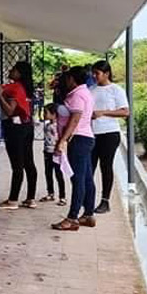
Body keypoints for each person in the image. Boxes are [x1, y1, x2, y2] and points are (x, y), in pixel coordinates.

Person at [51, 66, 97, 231]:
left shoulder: (77, 95)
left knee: (77, 179)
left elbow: (75, 119)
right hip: (85, 137)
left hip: (78, 139)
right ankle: (88, 214)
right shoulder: (85, 93)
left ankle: (72, 218)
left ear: (73, 79)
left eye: (68, 78)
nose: (66, 80)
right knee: (86, 178)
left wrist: (63, 140)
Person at [0, 61, 37, 210]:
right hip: (27, 126)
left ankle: (13, 200)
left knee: (17, 164)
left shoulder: (14, 88)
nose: (10, 70)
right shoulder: (27, 88)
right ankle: (31, 198)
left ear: (19, 73)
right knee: (29, 162)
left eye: (13, 69)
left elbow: (9, 111)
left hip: (15, 128)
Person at [90, 60, 129, 214]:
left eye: (97, 73)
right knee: (89, 167)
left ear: (106, 73)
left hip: (109, 133)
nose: (94, 76)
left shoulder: (116, 90)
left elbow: (125, 112)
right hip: (92, 133)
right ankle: (87, 198)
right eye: (93, 73)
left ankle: (105, 201)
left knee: (105, 167)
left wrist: (103, 112)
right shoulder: (91, 89)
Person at [39, 103, 66, 206]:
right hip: (47, 152)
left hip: (56, 152)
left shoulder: (58, 126)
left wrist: (59, 149)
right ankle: (50, 193)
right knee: (48, 173)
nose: (44, 114)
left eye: (46, 113)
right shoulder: (47, 125)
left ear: (54, 114)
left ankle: (62, 197)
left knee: (59, 174)